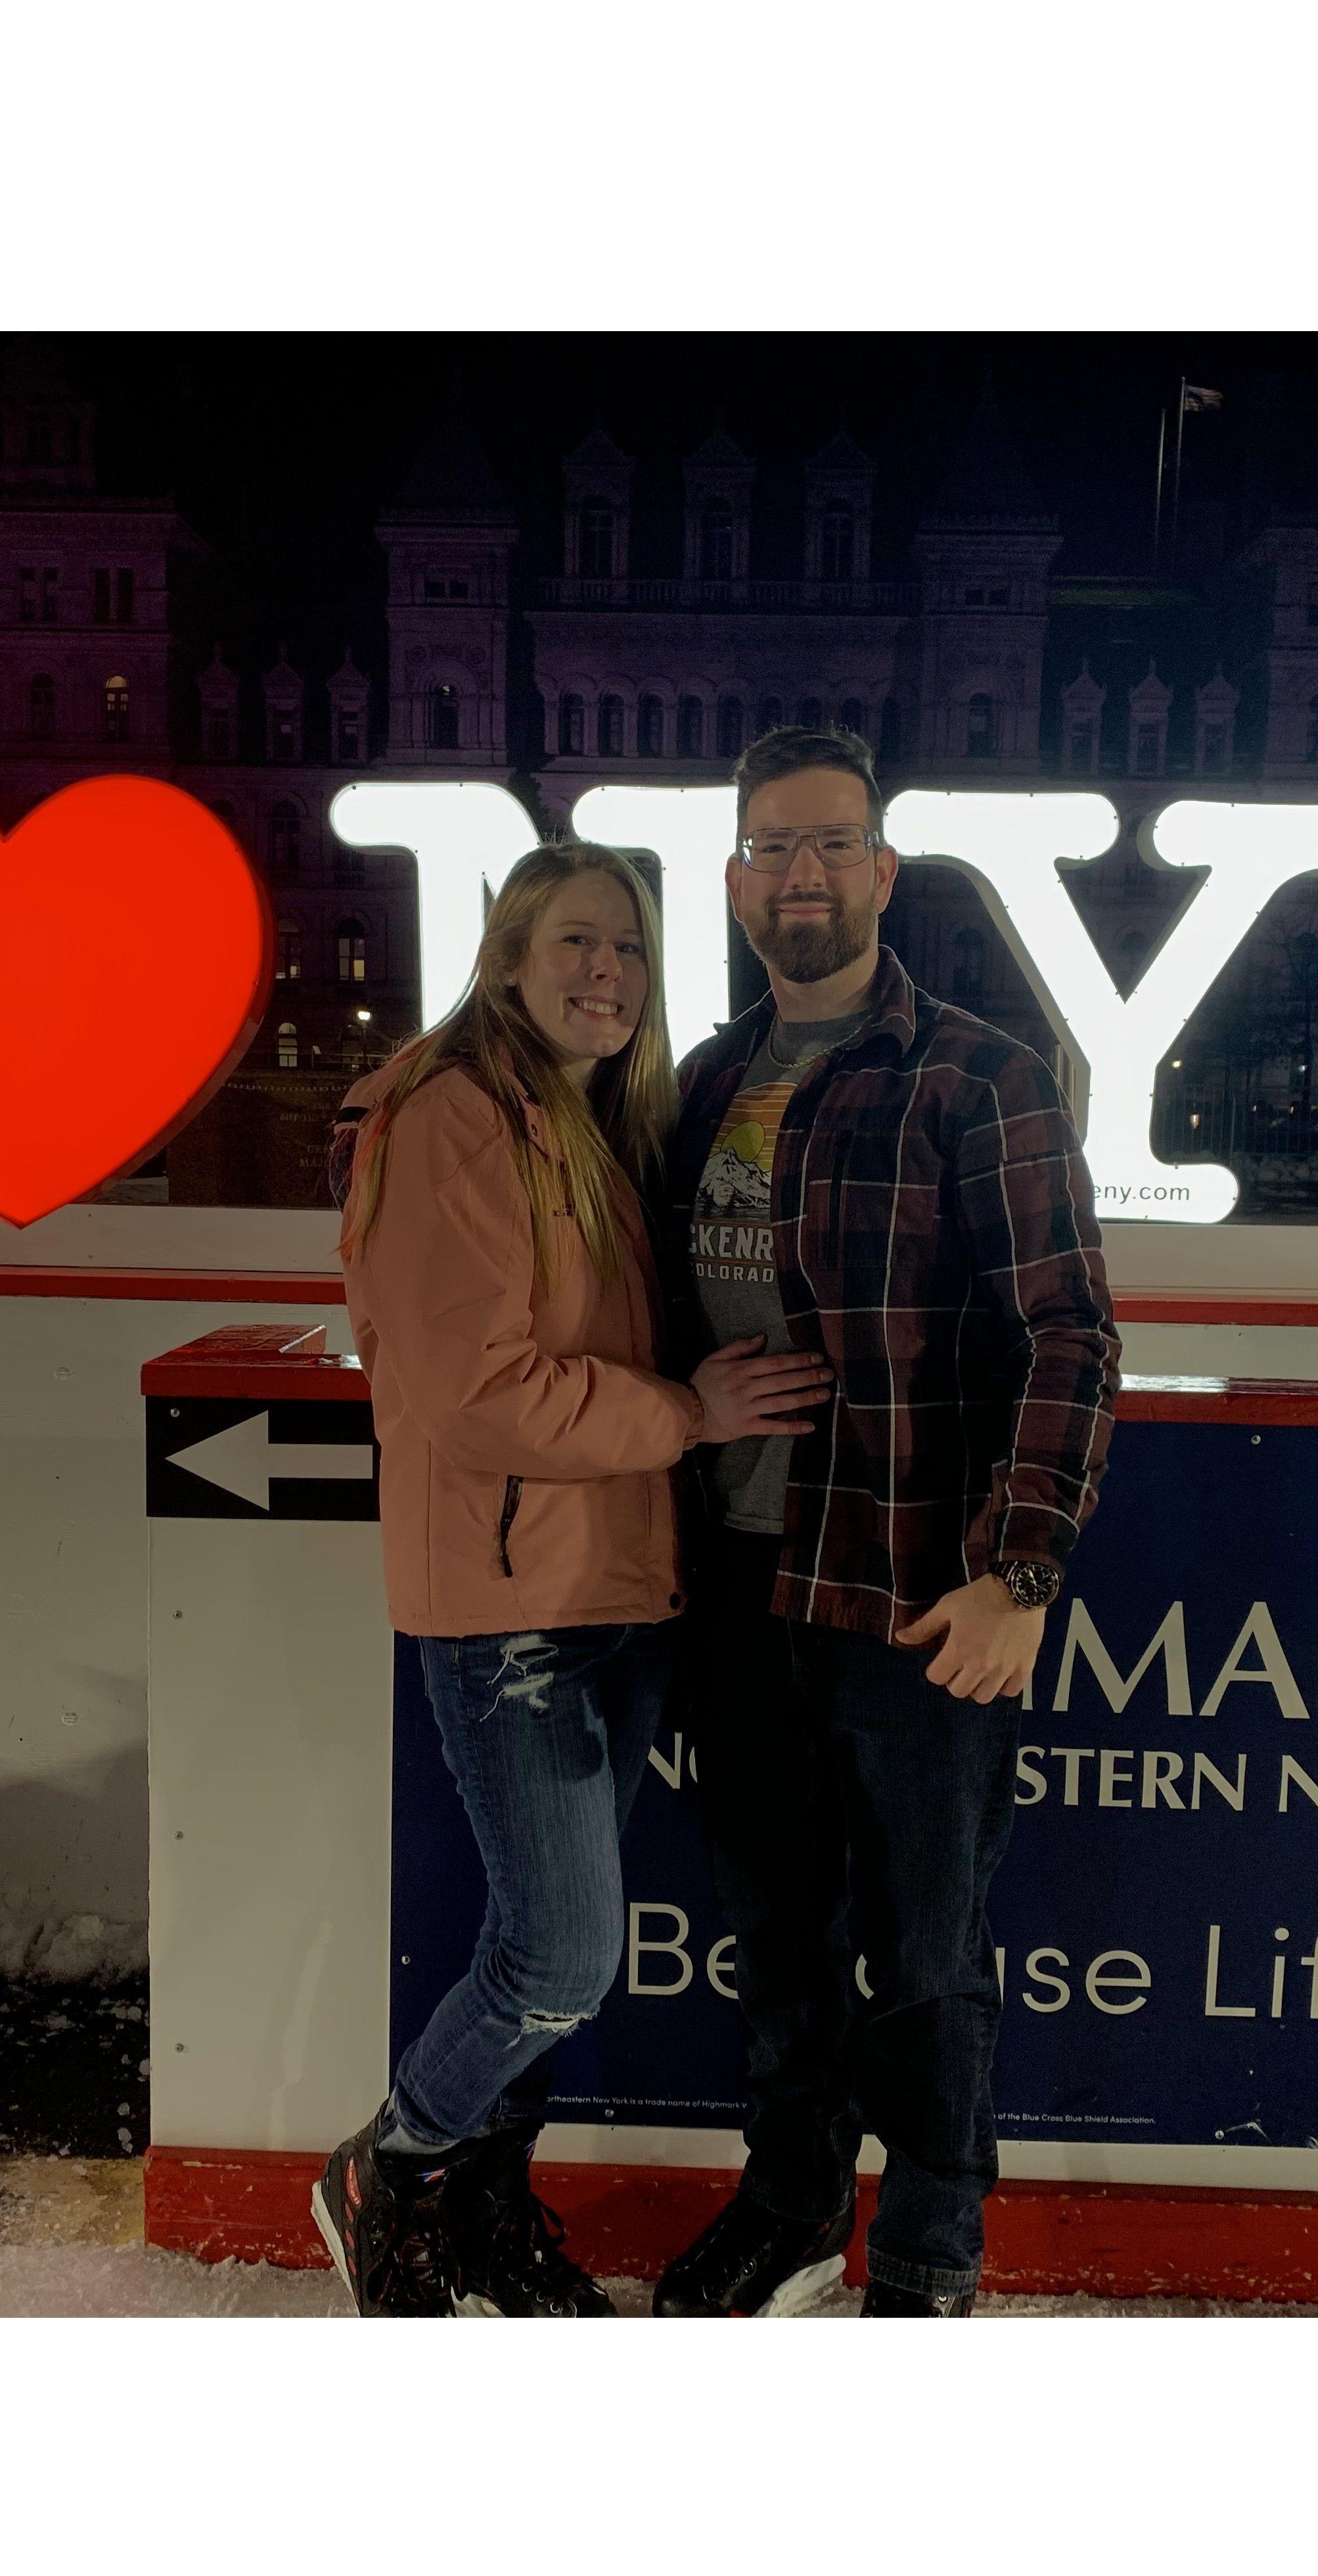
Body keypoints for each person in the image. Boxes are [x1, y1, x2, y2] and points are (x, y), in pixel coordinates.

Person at [321, 840, 834, 2316]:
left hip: (617, 1590)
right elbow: (478, 1390)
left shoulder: (588, 1117)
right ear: (507, 958)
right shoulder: (448, 1116)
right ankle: (393, 2168)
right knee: (557, 1962)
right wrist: (691, 1414)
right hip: (516, 1607)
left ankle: (476, 2217)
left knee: (534, 1946)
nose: (607, 974)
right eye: (577, 946)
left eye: (631, 954)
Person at [653, 726, 1120, 2318]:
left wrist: (1021, 1569)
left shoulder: (981, 1076)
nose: (802, 873)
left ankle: (926, 2250)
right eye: (774, 846)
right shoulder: (703, 1084)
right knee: (774, 1943)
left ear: (883, 873)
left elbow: (1071, 1334)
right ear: (733, 878)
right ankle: (789, 2207)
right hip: (736, 1593)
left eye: (832, 844)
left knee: (927, 1962)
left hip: (917, 1605)